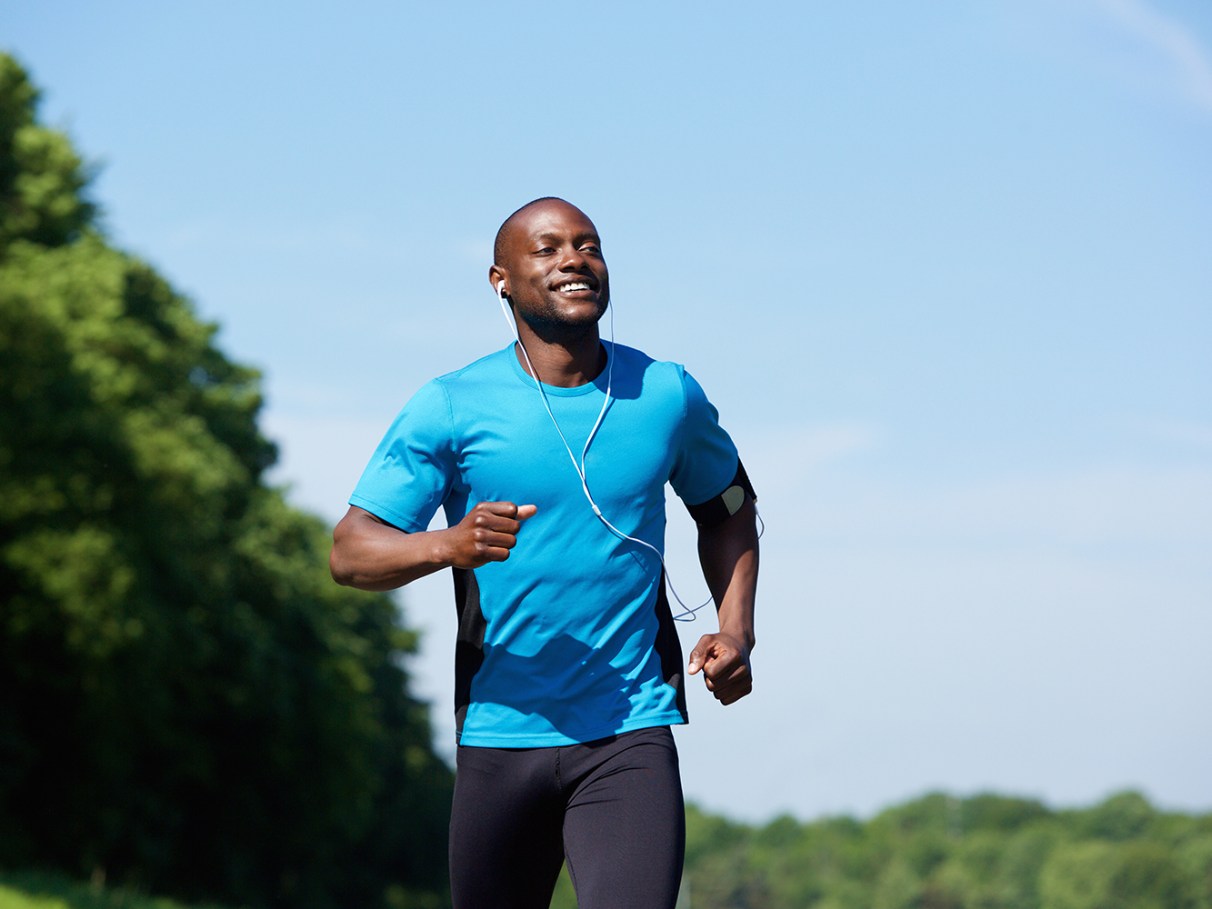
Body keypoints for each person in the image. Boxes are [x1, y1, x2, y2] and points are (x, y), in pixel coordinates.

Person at [330, 197, 759, 909]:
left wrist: (736, 627)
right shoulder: (452, 404)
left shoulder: (664, 394)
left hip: (629, 729)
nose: (573, 259)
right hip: (500, 734)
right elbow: (351, 551)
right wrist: (450, 543)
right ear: (501, 279)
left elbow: (731, 514)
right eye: (549, 247)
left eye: (588, 245)